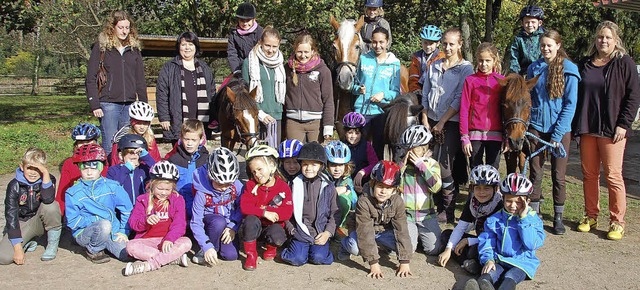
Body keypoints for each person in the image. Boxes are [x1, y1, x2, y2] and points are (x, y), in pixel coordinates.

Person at [573, 21, 640, 240]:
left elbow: (633, 96)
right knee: (589, 175)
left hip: (613, 130)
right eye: (601, 37)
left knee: (613, 175)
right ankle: (590, 215)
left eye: (608, 38)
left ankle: (617, 221)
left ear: (616, 40)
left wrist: (624, 123)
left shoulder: (624, 63)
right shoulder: (585, 63)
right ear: (596, 39)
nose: (604, 41)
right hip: (587, 128)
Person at [526, 30, 579, 235]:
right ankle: (535, 212)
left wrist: (557, 135)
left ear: (558, 45)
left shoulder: (569, 70)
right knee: (535, 172)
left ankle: (558, 216)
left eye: (549, 45)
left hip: (560, 129)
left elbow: (570, 105)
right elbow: (529, 99)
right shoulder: (534, 68)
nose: (546, 49)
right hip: (537, 127)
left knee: (559, 175)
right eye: (543, 45)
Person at [421, 27, 474, 224]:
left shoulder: (465, 68)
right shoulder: (433, 66)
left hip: (450, 122)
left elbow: (460, 97)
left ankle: (449, 208)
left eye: (452, 44)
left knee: (444, 166)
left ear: (460, 44)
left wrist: (442, 121)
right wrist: (425, 119)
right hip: (430, 120)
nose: (448, 47)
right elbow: (425, 93)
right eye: (445, 43)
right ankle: (434, 205)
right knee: (429, 162)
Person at [464, 173, 545, 290]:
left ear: (527, 201)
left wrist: (523, 219)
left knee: (509, 277)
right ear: (503, 199)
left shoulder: (533, 220)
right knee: (486, 276)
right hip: (500, 259)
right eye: (508, 201)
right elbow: (487, 242)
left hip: (522, 263)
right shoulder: (494, 220)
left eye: (518, 202)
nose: (513, 206)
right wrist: (489, 259)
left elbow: (531, 244)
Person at [85, 10, 147, 158]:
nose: (124, 31)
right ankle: (107, 176)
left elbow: (140, 79)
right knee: (109, 144)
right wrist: (95, 104)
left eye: (127, 27)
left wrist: (143, 104)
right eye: (121, 27)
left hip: (130, 104)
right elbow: (90, 78)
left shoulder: (134, 50)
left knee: (126, 144)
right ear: (112, 27)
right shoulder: (102, 48)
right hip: (108, 104)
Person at [339, 161, 413, 279]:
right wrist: (373, 263)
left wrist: (404, 262)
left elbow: (401, 230)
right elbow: (365, 232)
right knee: (355, 248)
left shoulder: (397, 201)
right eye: (380, 186)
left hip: (383, 232)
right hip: (363, 231)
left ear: (394, 190)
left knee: (408, 244)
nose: (384, 191)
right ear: (373, 184)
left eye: (388, 188)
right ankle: (344, 245)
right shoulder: (364, 201)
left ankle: (382, 247)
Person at [65, 144, 133, 263]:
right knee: (104, 225)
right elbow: (72, 222)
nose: (89, 172)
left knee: (127, 254)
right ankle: (94, 249)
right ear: (79, 168)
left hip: (113, 230)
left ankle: (105, 244)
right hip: (85, 232)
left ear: (101, 168)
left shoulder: (112, 186)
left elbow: (127, 209)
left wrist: (123, 231)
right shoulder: (72, 193)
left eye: (94, 168)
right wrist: (96, 220)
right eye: (85, 168)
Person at [123, 161, 191, 276]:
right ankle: (171, 259)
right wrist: (145, 221)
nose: (164, 193)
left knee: (186, 242)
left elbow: (179, 224)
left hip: (169, 241)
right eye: (160, 188)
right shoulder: (142, 200)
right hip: (147, 241)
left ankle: (149, 265)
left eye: (168, 190)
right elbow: (133, 223)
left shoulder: (178, 200)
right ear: (152, 185)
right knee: (131, 246)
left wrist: (169, 239)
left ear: (173, 188)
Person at [280, 142, 339, 266]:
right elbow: (285, 211)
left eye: (314, 164)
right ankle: (294, 248)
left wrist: (327, 233)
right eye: (305, 164)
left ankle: (321, 251)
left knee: (318, 258)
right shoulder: (294, 184)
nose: (309, 168)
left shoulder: (328, 186)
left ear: (321, 166)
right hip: (300, 230)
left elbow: (335, 213)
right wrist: (292, 230)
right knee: (297, 259)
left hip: (320, 231)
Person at [0, 148, 61, 265]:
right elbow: (11, 214)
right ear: (22, 167)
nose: (33, 172)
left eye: (37, 169)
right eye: (29, 168)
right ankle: (29, 241)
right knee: (4, 258)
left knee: (52, 206)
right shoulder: (14, 185)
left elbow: (48, 200)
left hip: (39, 221)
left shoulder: (48, 179)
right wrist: (17, 249)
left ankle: (52, 245)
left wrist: (46, 174)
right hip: (21, 223)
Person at [438, 165, 502, 275]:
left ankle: (476, 266)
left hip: (492, 243)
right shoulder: (473, 203)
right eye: (477, 188)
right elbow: (460, 227)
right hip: (479, 238)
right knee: (446, 235)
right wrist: (448, 249)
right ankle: (467, 263)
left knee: (473, 250)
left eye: (486, 188)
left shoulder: (500, 206)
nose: (482, 192)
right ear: (472, 188)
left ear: (495, 188)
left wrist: (469, 241)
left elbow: (497, 237)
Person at [156, 32, 217, 143]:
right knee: (179, 155)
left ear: (196, 47)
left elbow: (212, 94)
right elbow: (162, 94)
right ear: (179, 46)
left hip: (201, 120)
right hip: (178, 119)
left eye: (191, 44)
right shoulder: (169, 68)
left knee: (199, 154)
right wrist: (164, 117)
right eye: (184, 45)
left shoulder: (204, 68)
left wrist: (214, 117)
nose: (187, 48)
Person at [240, 145, 293, 270]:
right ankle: (251, 255)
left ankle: (271, 247)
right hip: (257, 225)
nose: (257, 174)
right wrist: (263, 212)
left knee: (278, 235)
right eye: (253, 171)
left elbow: (287, 212)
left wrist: (270, 211)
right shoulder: (250, 185)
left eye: (260, 169)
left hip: (273, 225)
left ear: (272, 167)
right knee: (250, 220)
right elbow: (244, 207)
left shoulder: (283, 187)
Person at [352, 26, 400, 159]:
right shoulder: (363, 59)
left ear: (387, 42)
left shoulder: (394, 63)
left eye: (381, 42)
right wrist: (358, 89)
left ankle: (376, 177)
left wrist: (383, 95)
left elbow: (396, 92)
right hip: (361, 110)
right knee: (358, 147)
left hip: (380, 112)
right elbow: (353, 85)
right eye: (374, 42)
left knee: (378, 149)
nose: (377, 46)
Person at [191, 147, 244, 265]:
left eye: (228, 184)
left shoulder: (236, 185)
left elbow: (242, 207)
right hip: (211, 223)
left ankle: (218, 246)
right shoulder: (202, 193)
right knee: (218, 222)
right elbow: (196, 222)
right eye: (220, 184)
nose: (225, 187)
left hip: (228, 225)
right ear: (210, 176)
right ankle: (208, 248)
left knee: (231, 256)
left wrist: (233, 227)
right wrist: (207, 246)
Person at [398, 125, 442, 255]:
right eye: (408, 149)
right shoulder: (402, 165)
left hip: (427, 215)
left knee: (434, 250)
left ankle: (420, 236)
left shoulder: (432, 164)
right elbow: (392, 185)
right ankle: (410, 236)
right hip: (407, 215)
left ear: (424, 148)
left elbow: (436, 187)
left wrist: (421, 166)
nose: (410, 152)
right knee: (408, 250)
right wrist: (402, 166)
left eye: (414, 148)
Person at [459, 42, 504, 170]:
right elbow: (464, 109)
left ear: (494, 60)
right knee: (475, 170)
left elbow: (505, 111)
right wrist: (464, 136)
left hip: (495, 134)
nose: (483, 64)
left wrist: (506, 136)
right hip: (474, 134)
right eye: (480, 61)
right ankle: (473, 191)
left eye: (487, 61)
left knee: (493, 170)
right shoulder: (470, 80)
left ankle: (493, 191)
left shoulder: (501, 81)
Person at [285, 33, 334, 143]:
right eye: (299, 52)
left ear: (313, 51)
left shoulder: (323, 71)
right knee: (294, 157)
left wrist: (328, 127)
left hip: (316, 123)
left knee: (314, 158)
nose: (303, 55)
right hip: (293, 122)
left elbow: (328, 100)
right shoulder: (287, 69)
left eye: (306, 52)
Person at [243, 26, 286, 143]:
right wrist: (260, 113)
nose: (270, 50)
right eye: (267, 45)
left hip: (276, 116)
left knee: (274, 154)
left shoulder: (280, 64)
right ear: (260, 42)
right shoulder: (249, 63)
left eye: (274, 46)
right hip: (258, 116)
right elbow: (246, 95)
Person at [56, 123, 106, 215]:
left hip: (101, 207)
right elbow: (63, 192)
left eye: (88, 142)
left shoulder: (102, 161)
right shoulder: (69, 163)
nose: (84, 145)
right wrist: (63, 215)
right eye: (81, 142)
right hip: (77, 208)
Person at [167, 119, 210, 222]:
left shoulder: (206, 160)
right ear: (181, 139)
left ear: (201, 140)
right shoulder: (174, 160)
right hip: (179, 206)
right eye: (187, 139)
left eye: (193, 140)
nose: (189, 143)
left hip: (200, 206)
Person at [106, 134, 156, 205]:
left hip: (141, 207)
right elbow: (114, 186)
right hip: (121, 209)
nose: (135, 155)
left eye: (139, 153)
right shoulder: (114, 170)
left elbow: (157, 170)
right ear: (121, 155)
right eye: (131, 153)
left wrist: (146, 157)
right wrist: (126, 169)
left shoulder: (143, 169)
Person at [324, 140, 356, 238]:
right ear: (327, 165)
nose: (337, 169)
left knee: (344, 200)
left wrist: (349, 191)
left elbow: (354, 200)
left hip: (335, 212)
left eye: (341, 165)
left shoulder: (346, 177)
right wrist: (334, 191)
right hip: (321, 210)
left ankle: (337, 226)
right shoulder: (322, 176)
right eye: (333, 165)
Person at [341, 112, 378, 194]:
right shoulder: (342, 146)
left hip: (364, 181)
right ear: (345, 133)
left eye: (357, 133)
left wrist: (363, 172)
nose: (353, 136)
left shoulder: (367, 145)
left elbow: (374, 163)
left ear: (361, 133)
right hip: (345, 180)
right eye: (350, 133)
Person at [227, 2, 263, 74]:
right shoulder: (234, 34)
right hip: (240, 68)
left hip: (258, 67)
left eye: (248, 20)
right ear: (238, 20)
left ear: (254, 19)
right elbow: (232, 53)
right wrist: (236, 70)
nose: (245, 23)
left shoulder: (261, 32)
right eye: (242, 20)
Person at [508, 5, 545, 75]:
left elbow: (545, 57)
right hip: (523, 73)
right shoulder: (518, 39)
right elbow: (514, 57)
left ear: (539, 23)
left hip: (541, 72)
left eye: (533, 22)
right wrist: (515, 73)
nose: (530, 25)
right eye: (527, 22)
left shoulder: (544, 38)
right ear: (522, 23)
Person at [408, 24, 445, 95]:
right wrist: (415, 89)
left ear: (437, 43)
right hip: (420, 91)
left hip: (437, 92)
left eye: (431, 44)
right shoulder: (417, 57)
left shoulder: (442, 57)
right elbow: (413, 76)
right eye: (425, 43)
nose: (428, 46)